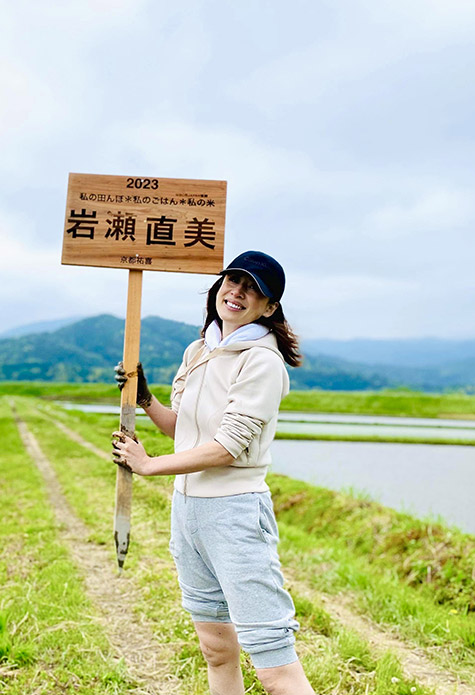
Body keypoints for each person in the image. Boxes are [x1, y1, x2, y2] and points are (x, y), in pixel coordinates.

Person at [112, 250, 315, 695]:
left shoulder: (262, 361)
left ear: (269, 307)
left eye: (252, 289)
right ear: (218, 288)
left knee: (274, 668)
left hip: (235, 514)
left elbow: (226, 447)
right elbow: (182, 429)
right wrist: (147, 400)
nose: (237, 292)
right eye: (232, 281)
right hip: (188, 513)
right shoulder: (199, 350)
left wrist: (148, 466)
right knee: (215, 648)